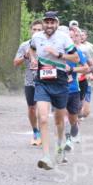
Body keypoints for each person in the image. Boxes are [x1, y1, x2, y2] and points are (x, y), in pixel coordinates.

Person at [29, 11, 80, 169]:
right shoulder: (37, 37)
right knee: (43, 118)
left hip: (60, 82)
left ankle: (59, 147)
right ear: (43, 23)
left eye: (52, 22)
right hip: (42, 82)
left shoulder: (64, 38)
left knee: (58, 120)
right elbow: (31, 49)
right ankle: (45, 157)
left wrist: (58, 54)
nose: (49, 25)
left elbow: (76, 58)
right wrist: (33, 59)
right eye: (47, 22)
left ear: (57, 24)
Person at [14, 19, 44, 146]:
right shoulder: (24, 45)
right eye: (34, 29)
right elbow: (15, 63)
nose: (36, 32)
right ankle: (35, 131)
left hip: (45, 81)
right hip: (30, 81)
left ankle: (43, 132)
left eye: (39, 29)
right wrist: (25, 56)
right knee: (32, 108)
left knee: (42, 109)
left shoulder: (47, 44)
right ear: (30, 30)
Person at [63, 27, 89, 151]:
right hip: (58, 89)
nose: (69, 39)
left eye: (71, 37)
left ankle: (75, 128)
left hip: (73, 89)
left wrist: (72, 70)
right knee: (62, 115)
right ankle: (67, 140)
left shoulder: (77, 52)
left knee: (72, 116)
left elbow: (86, 68)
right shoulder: (54, 53)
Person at [77, 28, 93, 118]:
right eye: (79, 35)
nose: (81, 37)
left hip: (85, 77)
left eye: (83, 35)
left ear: (86, 36)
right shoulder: (69, 46)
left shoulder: (89, 47)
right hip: (74, 78)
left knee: (86, 113)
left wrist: (92, 73)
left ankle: (80, 112)